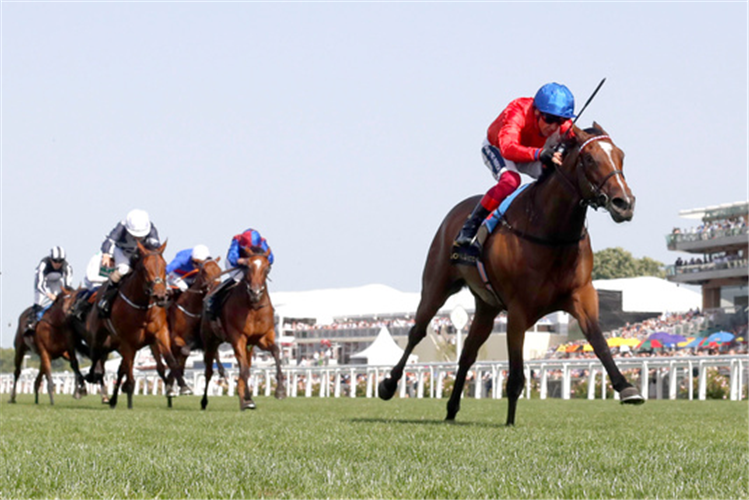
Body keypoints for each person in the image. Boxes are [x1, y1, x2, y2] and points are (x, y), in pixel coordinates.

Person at [452, 82, 576, 261]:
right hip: (499, 148)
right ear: (536, 112)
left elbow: (577, 142)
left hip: (532, 154)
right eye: (549, 119)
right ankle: (470, 227)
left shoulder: (562, 125)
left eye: (560, 121)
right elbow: (508, 148)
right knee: (510, 182)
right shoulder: (518, 110)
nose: (554, 126)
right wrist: (540, 153)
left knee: (558, 179)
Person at [96, 209, 161, 317]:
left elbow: (155, 246)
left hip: (141, 253)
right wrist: (106, 254)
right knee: (123, 270)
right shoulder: (121, 226)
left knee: (154, 270)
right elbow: (109, 240)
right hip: (123, 251)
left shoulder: (151, 228)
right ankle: (106, 299)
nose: (138, 237)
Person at [204, 229, 274, 325]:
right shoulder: (237, 240)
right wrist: (243, 261)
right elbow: (232, 258)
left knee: (257, 279)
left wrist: (256, 261)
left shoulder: (263, 242)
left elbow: (270, 258)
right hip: (235, 264)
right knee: (238, 279)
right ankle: (214, 299)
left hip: (252, 265)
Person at [26, 246, 73, 337]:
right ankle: (31, 323)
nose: (57, 264)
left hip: (56, 283)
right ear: (50, 259)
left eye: (60, 261)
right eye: (55, 261)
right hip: (43, 284)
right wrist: (49, 294)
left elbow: (68, 286)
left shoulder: (67, 267)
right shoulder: (43, 264)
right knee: (40, 301)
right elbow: (40, 284)